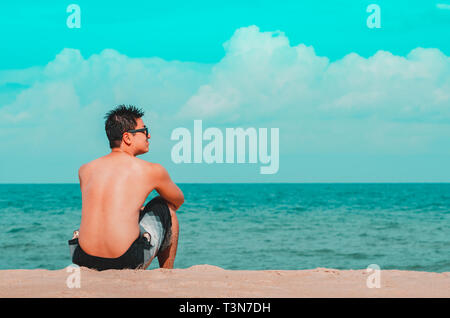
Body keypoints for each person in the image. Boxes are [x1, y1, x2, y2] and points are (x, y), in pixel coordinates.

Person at [68, 105, 184, 271]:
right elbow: (177, 200)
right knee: (166, 207)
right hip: (125, 260)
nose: (148, 135)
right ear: (127, 137)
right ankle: (167, 274)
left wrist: (134, 208)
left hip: (83, 257)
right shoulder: (151, 170)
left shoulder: (85, 169)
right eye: (144, 130)